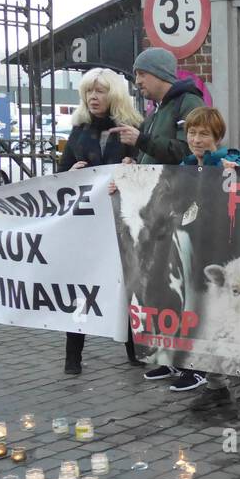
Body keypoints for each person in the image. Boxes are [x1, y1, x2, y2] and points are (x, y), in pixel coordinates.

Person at [111, 47, 208, 390]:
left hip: (183, 210)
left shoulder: (189, 104)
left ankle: (195, 365)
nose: (137, 82)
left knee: (184, 286)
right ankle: (169, 357)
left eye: (141, 74)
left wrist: (143, 139)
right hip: (157, 211)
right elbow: (152, 152)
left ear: (160, 74)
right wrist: (133, 162)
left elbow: (191, 151)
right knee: (160, 288)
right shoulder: (157, 110)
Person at [171, 106, 240, 420]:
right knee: (204, 325)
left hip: (225, 258)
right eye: (192, 133)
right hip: (195, 257)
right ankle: (215, 385)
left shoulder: (225, 158)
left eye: (203, 134)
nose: (196, 139)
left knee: (229, 327)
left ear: (216, 137)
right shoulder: (183, 166)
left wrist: (223, 164)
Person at [57, 68, 145, 376]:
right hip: (87, 227)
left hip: (122, 222)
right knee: (81, 286)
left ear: (115, 94)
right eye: (89, 91)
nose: (94, 97)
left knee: (127, 285)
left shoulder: (132, 128)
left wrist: (132, 167)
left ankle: (135, 348)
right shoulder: (79, 129)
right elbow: (62, 173)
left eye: (101, 91)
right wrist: (73, 172)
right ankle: (73, 354)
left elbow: (149, 171)